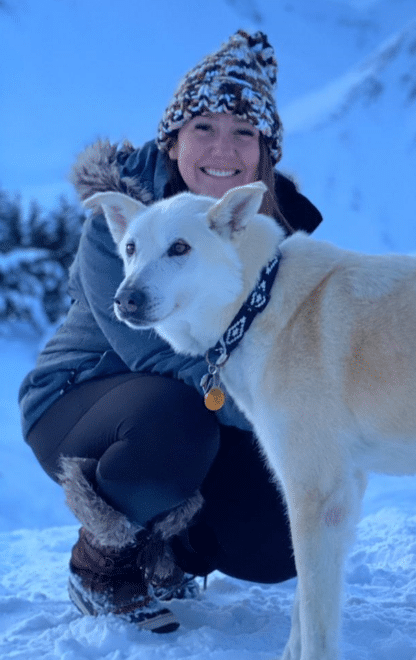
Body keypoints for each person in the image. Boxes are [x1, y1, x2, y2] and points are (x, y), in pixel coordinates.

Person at [18, 30, 322, 634]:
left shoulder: (270, 228)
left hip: (211, 401)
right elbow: (152, 351)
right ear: (174, 138)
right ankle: (102, 566)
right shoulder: (127, 214)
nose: (223, 147)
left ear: (265, 150)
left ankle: (166, 556)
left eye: (244, 131)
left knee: (278, 535)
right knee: (174, 414)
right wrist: (285, 401)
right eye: (203, 127)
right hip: (87, 398)